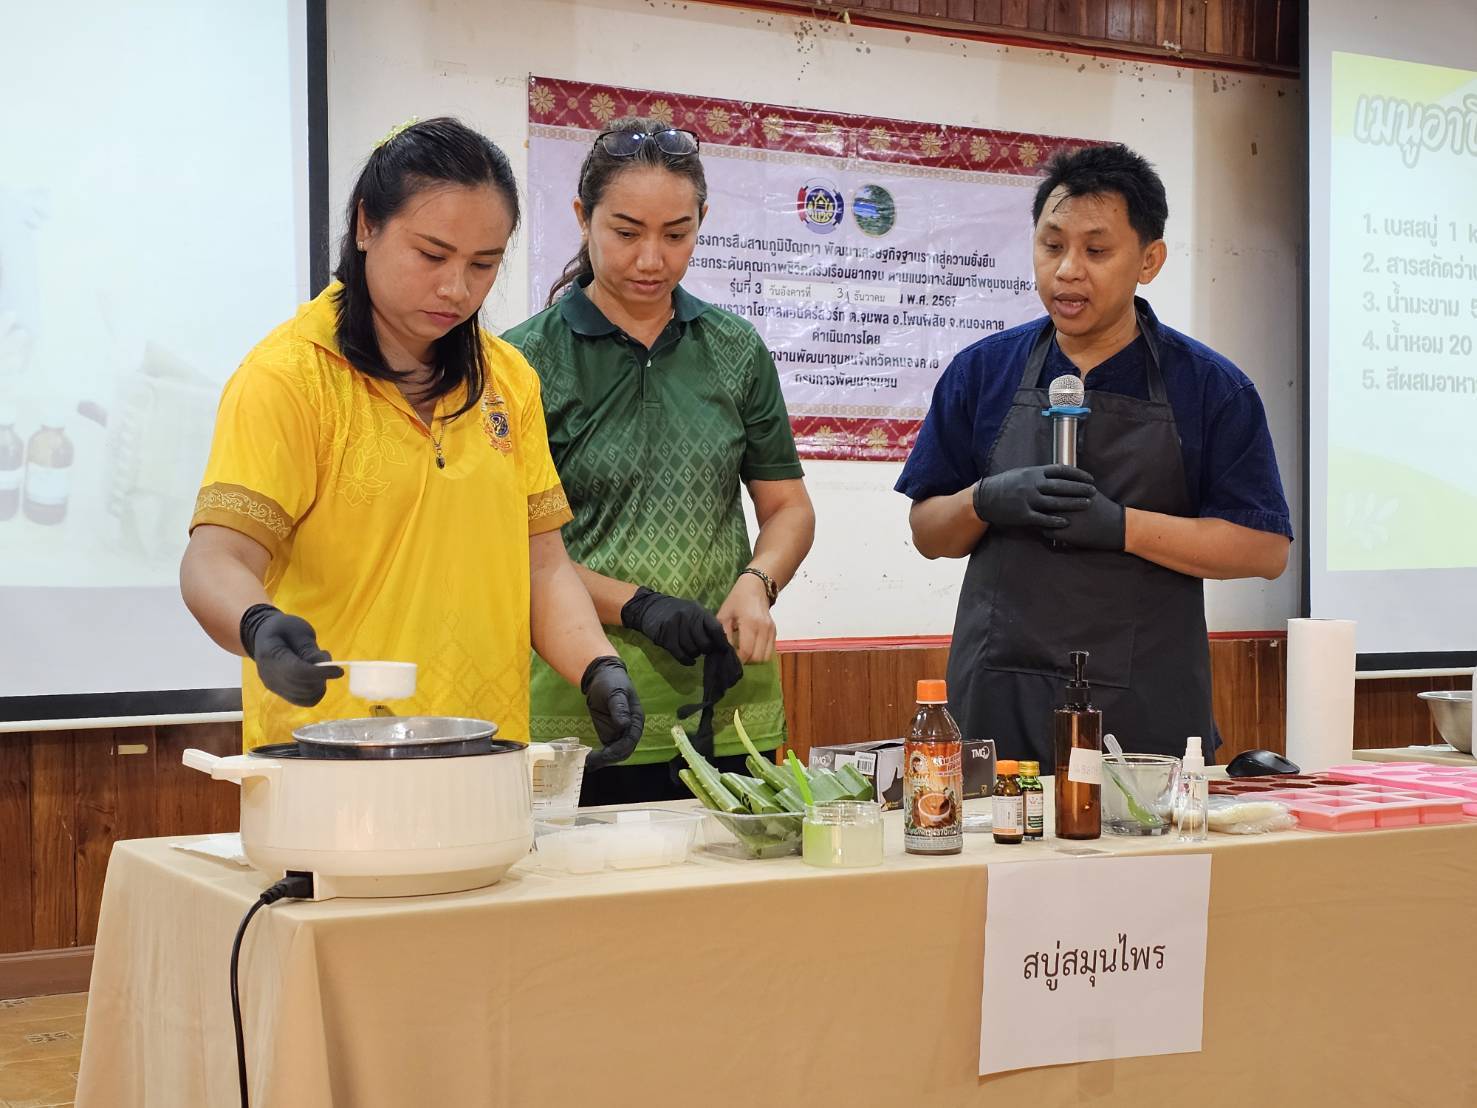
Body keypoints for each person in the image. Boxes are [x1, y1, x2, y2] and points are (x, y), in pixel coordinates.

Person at [180, 117, 643, 765]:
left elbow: (541, 566)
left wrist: (596, 665)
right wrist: (258, 627)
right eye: (431, 255)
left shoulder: (509, 380)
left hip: (482, 756)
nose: (457, 288)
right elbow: (214, 560)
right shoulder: (288, 377)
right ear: (367, 225)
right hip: (333, 762)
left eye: (483, 265)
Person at [896, 143, 1291, 771]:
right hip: (1000, 700)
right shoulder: (983, 373)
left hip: (1143, 715)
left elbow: (1264, 550)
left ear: (1150, 260)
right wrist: (985, 500)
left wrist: (1123, 526)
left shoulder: (1211, 389)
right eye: (1052, 246)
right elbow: (927, 533)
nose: (1068, 271)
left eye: (1096, 251)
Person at [503, 117, 815, 805]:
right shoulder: (522, 363)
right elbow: (515, 551)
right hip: (585, 702)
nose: (652, 259)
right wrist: (639, 607)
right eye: (625, 232)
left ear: (702, 220)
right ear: (583, 217)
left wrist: (757, 582)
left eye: (676, 235)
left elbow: (788, 508)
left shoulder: (734, 350)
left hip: (728, 703)